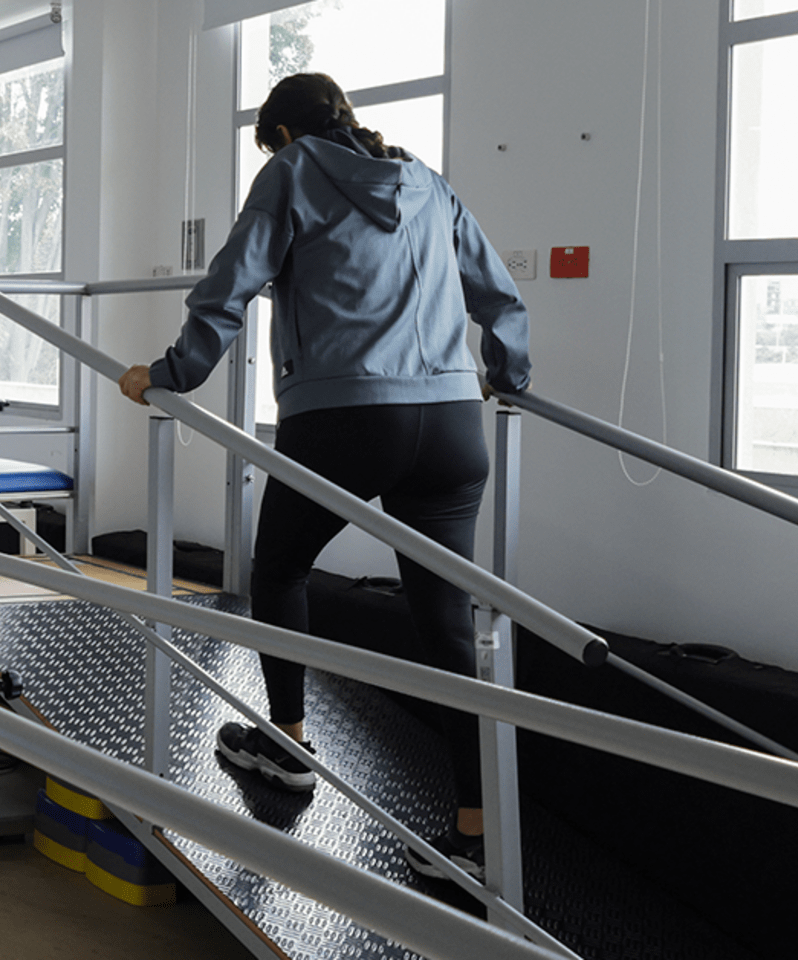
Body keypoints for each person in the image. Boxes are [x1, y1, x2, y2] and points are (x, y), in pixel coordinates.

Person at [118, 73, 530, 882]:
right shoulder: (427, 181)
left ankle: (288, 746)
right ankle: (476, 836)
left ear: (280, 135)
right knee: (448, 626)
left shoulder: (292, 171)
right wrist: (507, 376)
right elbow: (499, 296)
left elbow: (231, 284)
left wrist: (170, 374)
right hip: (452, 423)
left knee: (279, 569)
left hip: (344, 419)